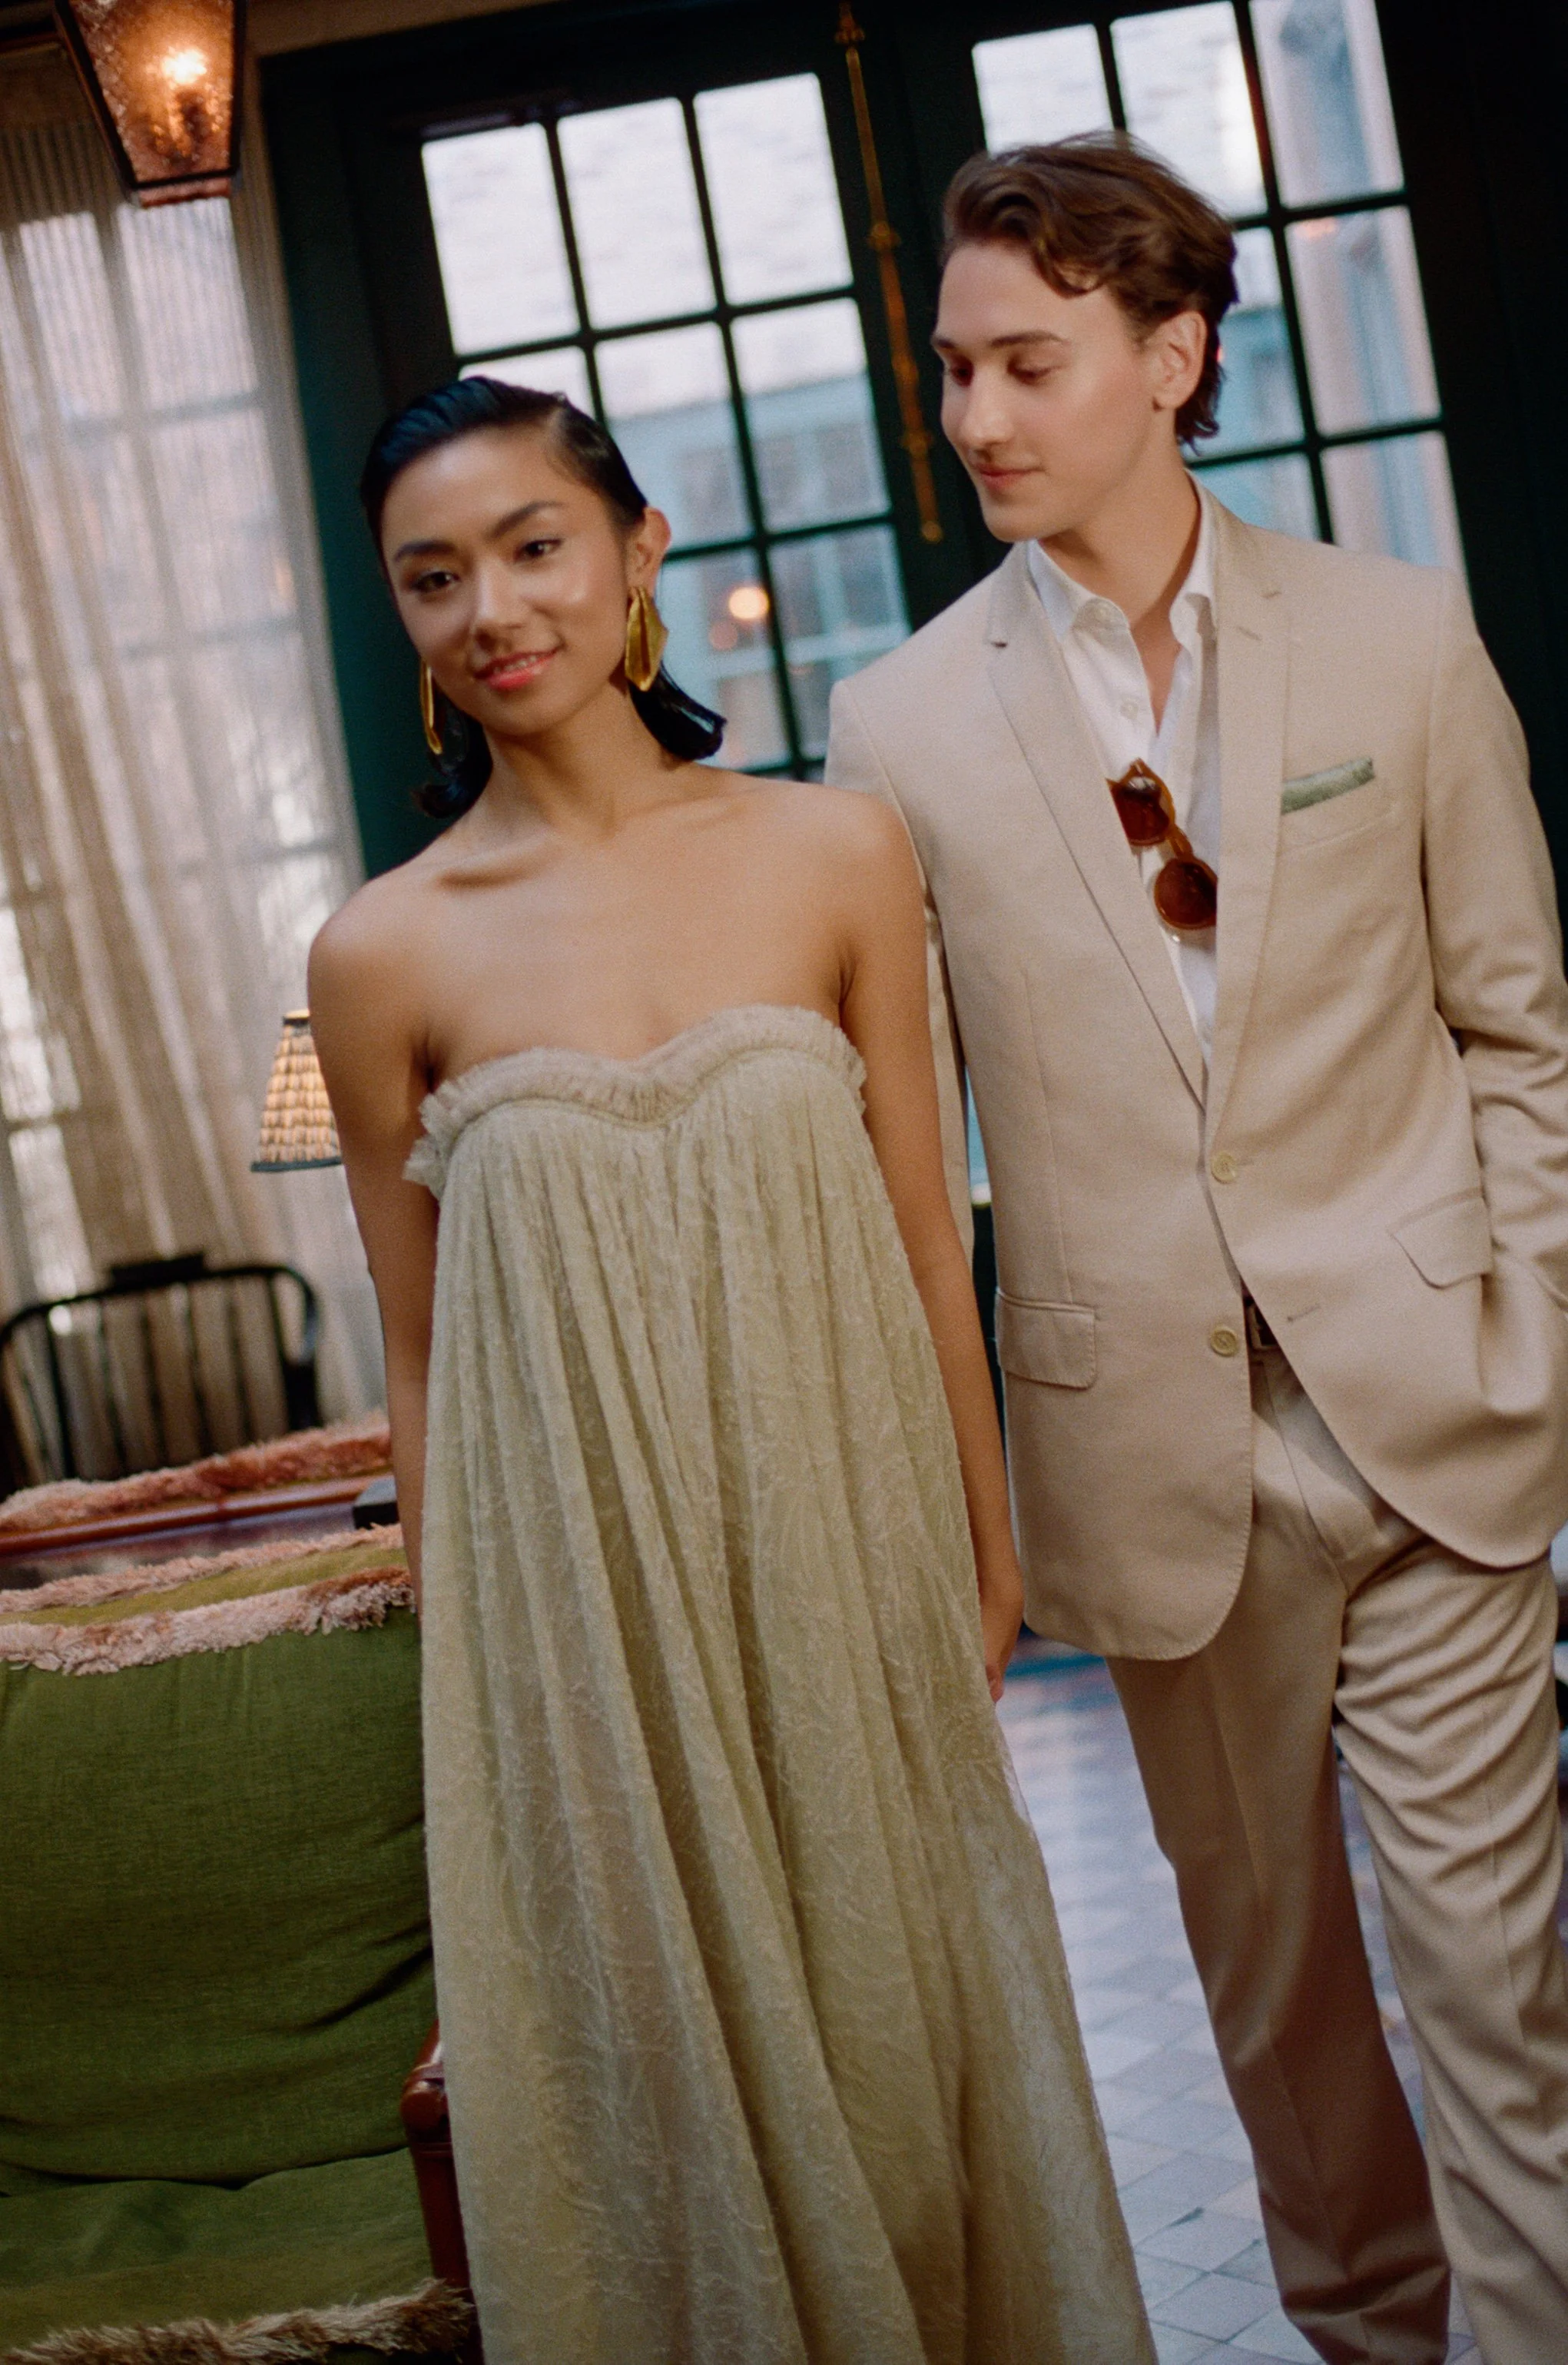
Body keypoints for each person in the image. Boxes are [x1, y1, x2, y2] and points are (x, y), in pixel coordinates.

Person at [307, 376, 1152, 2365]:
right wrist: (479, 1669)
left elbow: (925, 1235)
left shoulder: (836, 852)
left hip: (839, 1547)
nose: (491, 607)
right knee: (666, 2103)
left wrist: (991, 1543)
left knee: (908, 2048)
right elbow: (419, 1352)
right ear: (401, 618)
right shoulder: (381, 954)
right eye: (433, 578)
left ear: (632, 554)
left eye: (530, 546)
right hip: (578, 1618)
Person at [826, 134, 1568, 2365]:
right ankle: (1369, 2332)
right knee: (1280, 2012)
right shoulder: (899, 724)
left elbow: (1517, 1023)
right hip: (1144, 1455)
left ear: (1174, 354)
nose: (976, 417)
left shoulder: (1397, 635)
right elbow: (903, 1136)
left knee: (1498, 1984)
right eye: (954, 368)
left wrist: (1529, 1316)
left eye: (1028, 362)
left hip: (1441, 1405)